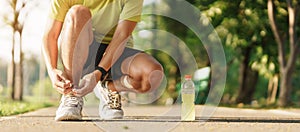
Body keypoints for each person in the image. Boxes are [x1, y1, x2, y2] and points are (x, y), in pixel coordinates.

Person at [42, 0, 164, 121]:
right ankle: (71, 94)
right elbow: (50, 35)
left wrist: (99, 72)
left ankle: (110, 87)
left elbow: (122, 34)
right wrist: (52, 70)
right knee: (77, 12)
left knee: (152, 75)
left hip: (116, 49)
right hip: (83, 50)